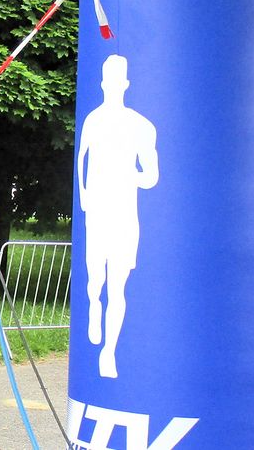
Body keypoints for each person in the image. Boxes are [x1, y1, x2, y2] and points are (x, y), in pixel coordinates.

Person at [77, 55, 159, 379]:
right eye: (107, 81)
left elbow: (152, 175)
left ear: (125, 84)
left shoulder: (142, 126)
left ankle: (109, 352)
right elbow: (81, 162)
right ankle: (93, 307)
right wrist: (85, 201)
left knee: (118, 287)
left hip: (125, 218)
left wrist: (130, 175)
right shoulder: (93, 121)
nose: (112, 87)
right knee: (95, 281)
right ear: (102, 84)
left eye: (117, 81)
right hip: (97, 215)